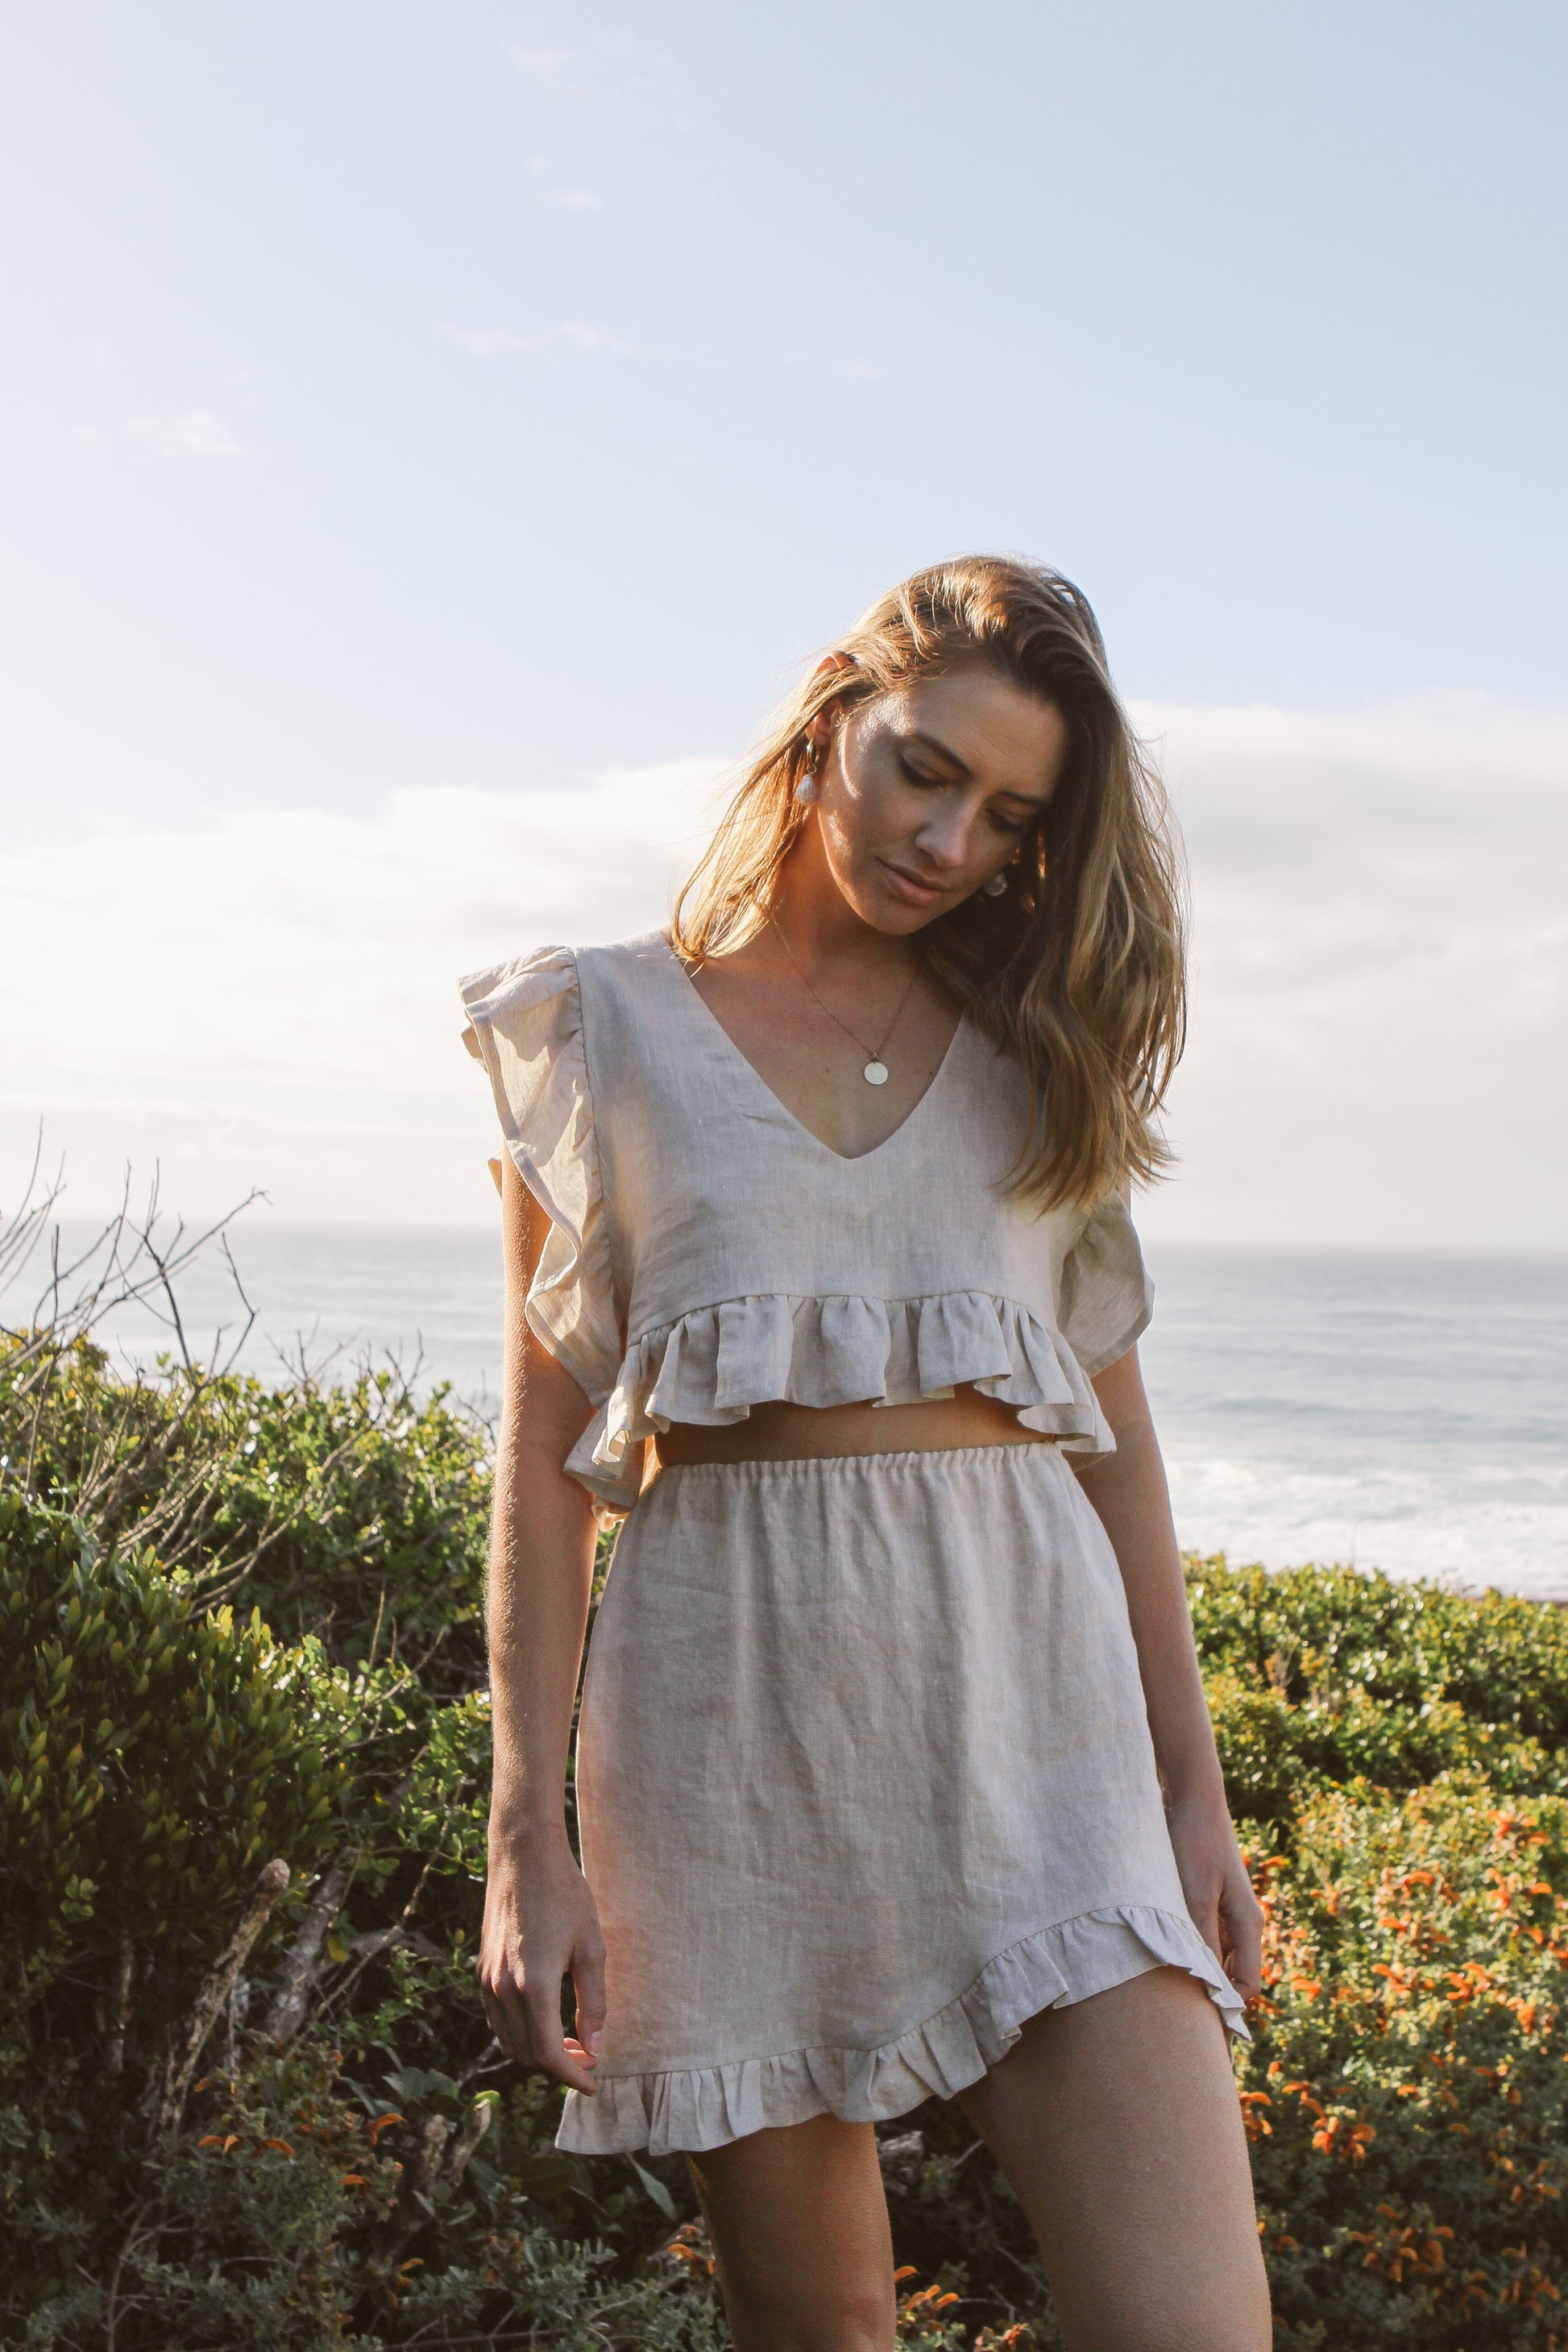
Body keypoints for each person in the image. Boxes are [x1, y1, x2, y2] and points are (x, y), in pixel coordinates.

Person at [461, 556, 1271, 2351]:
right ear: (833, 715)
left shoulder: (1031, 1054)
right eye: (923, 767)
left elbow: (1115, 1446)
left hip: (1039, 1736)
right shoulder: (599, 1031)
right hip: (727, 1740)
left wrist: (1190, 1788)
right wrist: (531, 1835)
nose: (945, 838)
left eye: (1006, 816)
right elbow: (539, 1462)